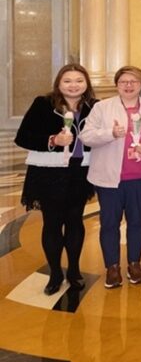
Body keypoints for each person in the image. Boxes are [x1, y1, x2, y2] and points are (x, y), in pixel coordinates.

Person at [80, 66, 141, 288]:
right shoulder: (102, 107)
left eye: (133, 81)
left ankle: (134, 264)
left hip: (140, 177)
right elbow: (86, 135)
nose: (128, 85)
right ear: (117, 85)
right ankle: (112, 267)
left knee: (137, 222)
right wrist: (110, 133)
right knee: (109, 223)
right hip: (109, 177)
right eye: (123, 82)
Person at [15, 64, 97, 294]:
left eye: (79, 80)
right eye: (67, 81)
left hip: (80, 172)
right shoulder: (43, 104)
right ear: (59, 83)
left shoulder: (94, 107)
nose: (73, 85)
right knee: (52, 223)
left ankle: (74, 270)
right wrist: (53, 140)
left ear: (86, 84)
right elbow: (23, 137)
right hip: (49, 173)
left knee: (75, 221)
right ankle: (55, 273)